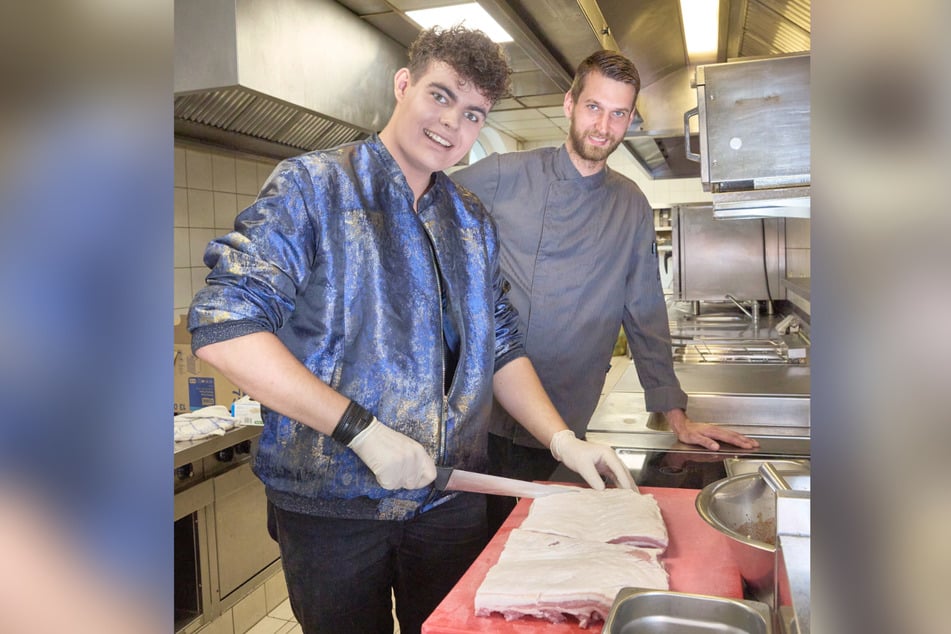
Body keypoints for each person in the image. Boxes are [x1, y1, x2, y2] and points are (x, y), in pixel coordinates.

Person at [187, 27, 634, 634]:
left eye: (473, 112)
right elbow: (225, 325)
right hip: (332, 509)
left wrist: (563, 441)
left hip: (449, 500)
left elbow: (500, 345)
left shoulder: (470, 220)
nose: (453, 123)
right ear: (404, 85)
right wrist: (362, 432)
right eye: (441, 96)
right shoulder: (313, 187)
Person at [451, 49, 760, 533]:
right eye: (594, 107)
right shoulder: (502, 175)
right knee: (467, 561)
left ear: (631, 120)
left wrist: (674, 412)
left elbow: (644, 309)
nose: (604, 126)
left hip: (563, 419)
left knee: (535, 554)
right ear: (569, 103)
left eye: (618, 114)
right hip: (478, 418)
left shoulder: (629, 203)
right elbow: (421, 209)